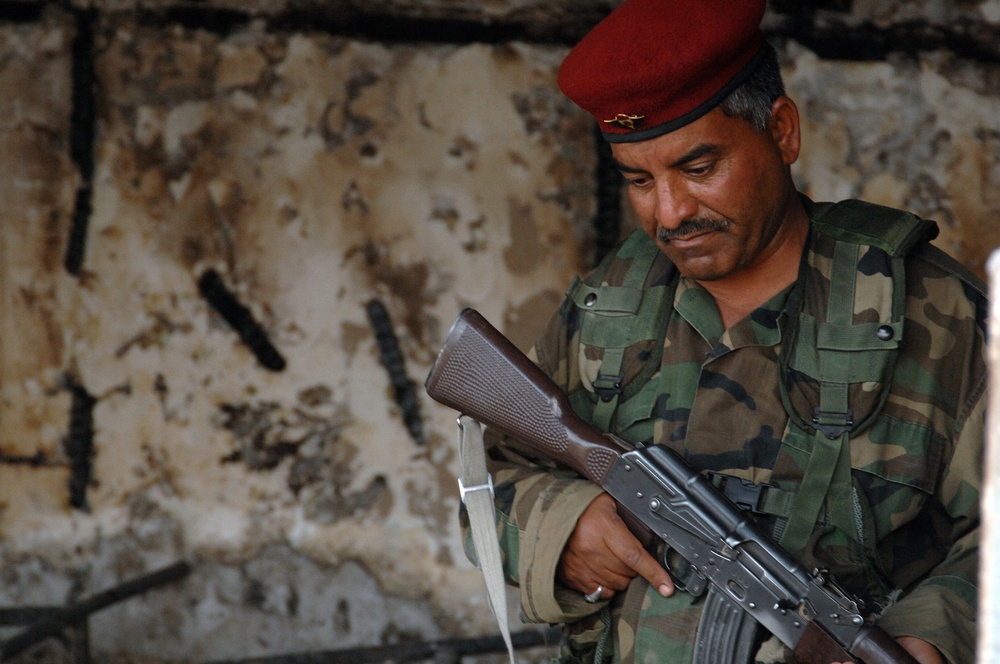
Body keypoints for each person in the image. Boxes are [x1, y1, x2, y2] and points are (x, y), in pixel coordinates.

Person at [460, 0, 985, 662]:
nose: (671, 212)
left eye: (699, 168)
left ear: (783, 132)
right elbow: (493, 480)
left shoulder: (935, 314)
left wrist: (929, 638)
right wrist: (561, 530)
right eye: (638, 181)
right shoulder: (607, 309)